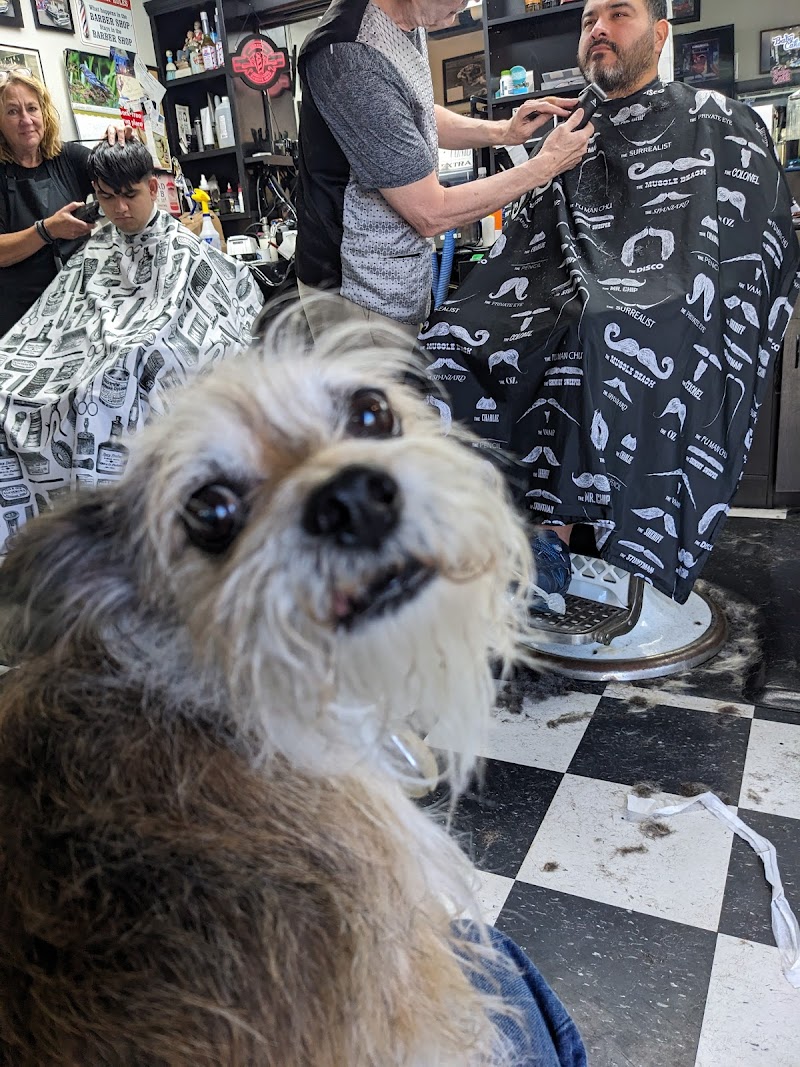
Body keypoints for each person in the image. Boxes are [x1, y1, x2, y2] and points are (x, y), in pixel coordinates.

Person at [419, 0, 800, 610]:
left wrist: (646, 298)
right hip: (566, 294)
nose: (597, 27)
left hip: (665, 307)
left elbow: (750, 247)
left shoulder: (717, 121)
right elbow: (535, 238)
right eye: (588, 18)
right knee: (447, 345)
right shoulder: (566, 132)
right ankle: (487, 538)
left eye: (618, 14)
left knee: (599, 338)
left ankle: (556, 534)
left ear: (661, 34)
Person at [0, 138, 264, 552]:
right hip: (84, 354)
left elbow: (195, 322)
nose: (120, 209)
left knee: (110, 385)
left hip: (141, 354)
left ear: (153, 189)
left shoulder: (182, 248)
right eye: (107, 197)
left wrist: (127, 347)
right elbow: (60, 315)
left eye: (130, 195)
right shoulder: (97, 247)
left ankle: (120, 537)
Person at [295, 0, 594, 343]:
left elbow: (413, 114)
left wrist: (504, 132)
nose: (466, 5)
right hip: (360, 296)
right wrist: (545, 165)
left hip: (399, 282)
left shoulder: (407, 21)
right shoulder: (351, 54)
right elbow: (430, 213)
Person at [0, 69, 131, 336]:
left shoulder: (68, 158)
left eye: (32, 108)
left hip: (77, 306)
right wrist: (46, 231)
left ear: (44, 113)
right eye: (13, 112)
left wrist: (121, 142)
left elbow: (121, 176)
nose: (26, 120)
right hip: (17, 318)